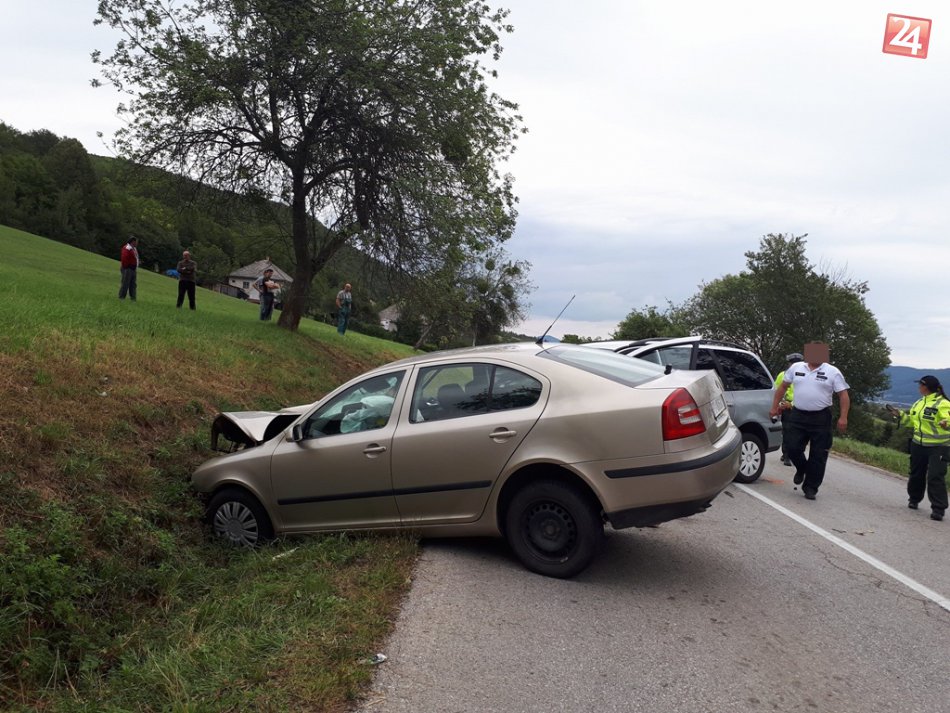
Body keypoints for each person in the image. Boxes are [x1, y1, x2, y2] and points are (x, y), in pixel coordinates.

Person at [769, 343, 850, 500]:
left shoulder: (833, 372)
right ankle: (802, 468)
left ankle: (811, 487)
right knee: (792, 447)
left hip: (821, 417)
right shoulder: (796, 368)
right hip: (798, 414)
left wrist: (843, 417)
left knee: (818, 454)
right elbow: (783, 387)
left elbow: (843, 395)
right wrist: (774, 407)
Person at [886, 375, 950, 521]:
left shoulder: (943, 403)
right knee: (916, 474)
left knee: (935, 476)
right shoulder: (919, 403)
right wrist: (900, 416)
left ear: (926, 387)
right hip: (918, 444)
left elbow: (948, 419)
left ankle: (938, 509)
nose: (918, 387)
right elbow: (912, 422)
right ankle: (914, 499)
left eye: (920, 385)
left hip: (938, 447)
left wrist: (946, 423)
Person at [775, 352, 804, 466]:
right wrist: (780, 403)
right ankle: (786, 455)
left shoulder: (804, 376)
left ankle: (791, 454)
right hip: (785, 407)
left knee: (797, 433)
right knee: (787, 431)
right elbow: (776, 390)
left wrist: (791, 404)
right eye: (792, 363)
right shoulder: (782, 375)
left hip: (799, 407)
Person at [118, 236, 139, 300]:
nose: (137, 243)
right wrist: (126, 267)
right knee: (125, 283)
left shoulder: (134, 249)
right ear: (133, 242)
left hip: (133, 269)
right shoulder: (127, 248)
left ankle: (133, 298)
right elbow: (124, 258)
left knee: (133, 284)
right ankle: (121, 297)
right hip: (128, 268)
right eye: (136, 242)